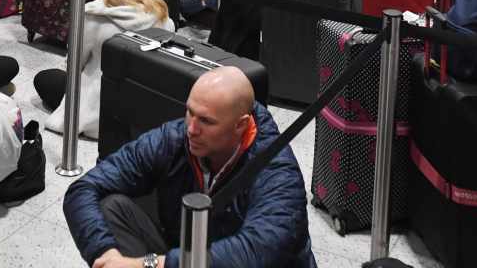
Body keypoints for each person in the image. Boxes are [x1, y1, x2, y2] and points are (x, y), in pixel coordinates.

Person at [64, 66, 316, 268]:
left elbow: (255, 252)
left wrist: (148, 264)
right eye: (190, 113)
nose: (192, 129)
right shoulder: (173, 139)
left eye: (206, 121)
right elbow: (82, 189)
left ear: (240, 125)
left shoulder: (277, 171)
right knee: (110, 207)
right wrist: (107, 256)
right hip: (186, 258)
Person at [33, 0, 173, 138]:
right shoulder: (161, 11)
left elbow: (75, 63)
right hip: (141, 104)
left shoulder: (94, 13)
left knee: (44, 79)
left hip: (98, 106)